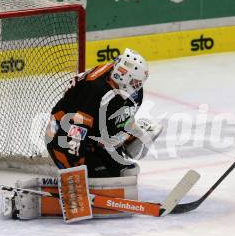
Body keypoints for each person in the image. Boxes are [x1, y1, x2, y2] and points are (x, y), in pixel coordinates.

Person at [45, 47, 162, 178]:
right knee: (90, 175)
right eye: (135, 82)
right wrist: (77, 170)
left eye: (139, 83)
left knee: (129, 173)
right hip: (61, 137)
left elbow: (113, 127)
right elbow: (73, 134)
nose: (137, 87)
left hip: (92, 136)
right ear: (123, 76)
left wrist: (129, 136)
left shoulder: (133, 93)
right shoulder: (95, 90)